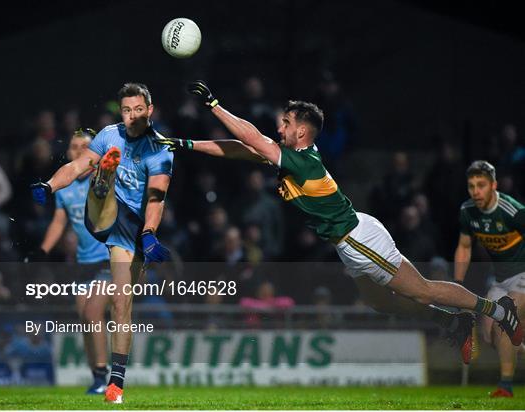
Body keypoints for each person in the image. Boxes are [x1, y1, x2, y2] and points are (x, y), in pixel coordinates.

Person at [162, 80, 523, 363]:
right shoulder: (292, 155)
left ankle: (494, 310)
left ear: (301, 132)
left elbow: (250, 137)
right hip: (349, 242)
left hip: (359, 240)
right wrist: (187, 144)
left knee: (422, 289)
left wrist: (213, 104)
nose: (279, 126)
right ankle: (451, 320)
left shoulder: (302, 162)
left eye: (285, 122)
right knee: (380, 302)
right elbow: (243, 148)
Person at [30, 83, 173, 404]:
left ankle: (114, 383)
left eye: (138, 110)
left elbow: (156, 197)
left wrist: (149, 233)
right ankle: (103, 184)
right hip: (113, 225)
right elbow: (78, 165)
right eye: (126, 110)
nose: (132, 116)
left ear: (149, 110)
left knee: (121, 306)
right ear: (120, 111)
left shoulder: (160, 148)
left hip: (137, 229)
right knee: (97, 179)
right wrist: (49, 185)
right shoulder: (110, 135)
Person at [28, 128, 111, 394]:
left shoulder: (105, 177)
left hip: (109, 260)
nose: (77, 151)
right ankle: (97, 377)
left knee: (92, 313)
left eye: (83, 147)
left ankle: (104, 375)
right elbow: (59, 222)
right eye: (73, 147)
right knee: (85, 320)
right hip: (83, 262)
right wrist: (43, 251)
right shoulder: (65, 188)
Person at [454, 160, 525, 398]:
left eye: (481, 185)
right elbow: (464, 247)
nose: (476, 191)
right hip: (500, 279)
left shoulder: (512, 211)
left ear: (494, 185)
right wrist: (458, 285)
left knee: (506, 319)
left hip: (522, 275)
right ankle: (520, 348)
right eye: (471, 186)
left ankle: (505, 387)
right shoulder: (468, 211)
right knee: (489, 335)